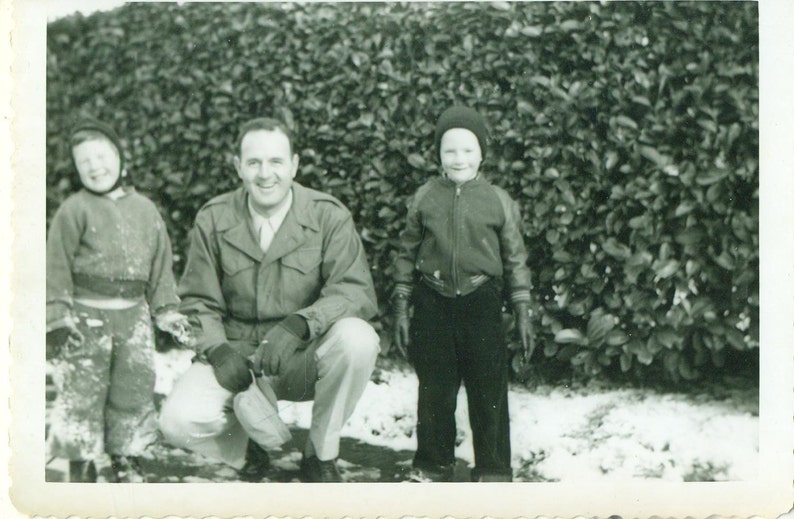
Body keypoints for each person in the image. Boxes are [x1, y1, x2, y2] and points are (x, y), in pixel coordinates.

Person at [158, 117, 380, 483]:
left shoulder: (328, 215)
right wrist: (217, 350)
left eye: (276, 162)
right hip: (237, 358)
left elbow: (354, 290)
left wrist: (302, 324)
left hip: (300, 356)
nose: (266, 174)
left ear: (294, 165)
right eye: (254, 162)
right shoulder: (213, 219)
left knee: (358, 339)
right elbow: (198, 299)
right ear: (238, 167)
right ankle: (246, 450)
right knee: (176, 422)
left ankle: (320, 455)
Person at [392, 106, 536, 482]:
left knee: (488, 389)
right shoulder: (424, 197)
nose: (459, 159)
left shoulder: (497, 200)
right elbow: (407, 253)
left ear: (482, 154)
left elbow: (515, 258)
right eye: (450, 150)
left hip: (481, 302)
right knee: (435, 390)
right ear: (438, 154)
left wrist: (522, 311)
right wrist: (402, 307)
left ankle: (492, 468)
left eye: (468, 150)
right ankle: (433, 463)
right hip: (433, 302)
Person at [46, 116, 192, 483]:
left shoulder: (146, 210)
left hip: (134, 320)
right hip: (85, 318)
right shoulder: (73, 210)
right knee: (82, 392)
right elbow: (56, 269)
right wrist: (57, 319)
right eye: (84, 162)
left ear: (120, 158)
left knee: (134, 388)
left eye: (101, 156)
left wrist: (167, 310)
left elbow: (160, 268)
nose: (95, 166)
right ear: (77, 170)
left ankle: (128, 454)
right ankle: (79, 460)